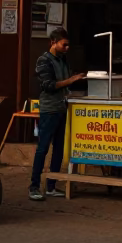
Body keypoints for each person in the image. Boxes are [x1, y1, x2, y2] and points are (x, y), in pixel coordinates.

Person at [29, 28, 86, 201]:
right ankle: (34, 186)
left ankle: (52, 185)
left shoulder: (63, 60)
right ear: (53, 42)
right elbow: (48, 85)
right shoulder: (43, 61)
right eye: (64, 44)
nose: (67, 48)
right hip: (49, 109)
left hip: (62, 108)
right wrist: (71, 80)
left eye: (68, 45)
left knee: (59, 149)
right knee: (43, 148)